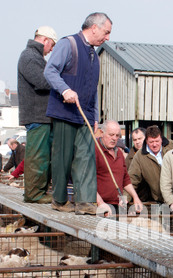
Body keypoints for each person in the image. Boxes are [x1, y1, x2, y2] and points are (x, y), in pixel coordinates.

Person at [44, 12, 112, 215]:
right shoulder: (68, 44)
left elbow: (94, 88)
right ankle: (59, 200)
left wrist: (95, 118)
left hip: (84, 116)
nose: (107, 38)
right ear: (94, 28)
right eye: (106, 32)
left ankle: (85, 202)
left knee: (86, 157)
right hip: (64, 112)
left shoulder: (94, 56)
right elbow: (50, 71)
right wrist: (65, 90)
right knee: (62, 158)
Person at [17, 25, 58, 204]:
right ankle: (34, 194)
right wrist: (59, 79)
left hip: (40, 115)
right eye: (52, 45)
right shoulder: (29, 57)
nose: (51, 50)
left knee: (42, 156)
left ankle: (38, 192)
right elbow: (42, 81)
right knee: (37, 156)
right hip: (37, 116)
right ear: (45, 40)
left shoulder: (33, 57)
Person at [95, 120, 143, 216]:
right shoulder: (94, 150)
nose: (114, 138)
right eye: (111, 135)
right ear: (101, 133)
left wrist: (135, 197)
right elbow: (87, 181)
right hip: (100, 206)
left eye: (117, 136)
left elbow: (126, 179)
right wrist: (100, 203)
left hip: (117, 206)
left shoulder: (120, 153)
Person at [128, 125, 173, 203]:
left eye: (157, 141)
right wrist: (124, 199)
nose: (154, 144)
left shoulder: (171, 146)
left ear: (161, 139)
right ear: (146, 141)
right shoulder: (139, 156)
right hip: (159, 199)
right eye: (151, 142)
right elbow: (132, 179)